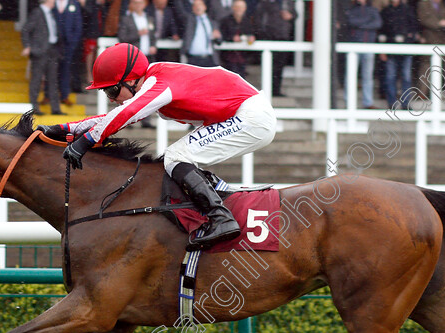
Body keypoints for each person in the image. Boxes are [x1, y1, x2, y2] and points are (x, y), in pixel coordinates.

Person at [38, 43, 277, 250]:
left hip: (250, 116)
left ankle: (221, 218)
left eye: (112, 90)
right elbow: (117, 115)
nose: (111, 98)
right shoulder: (154, 79)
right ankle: (215, 208)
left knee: (176, 156)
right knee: (178, 158)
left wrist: (85, 142)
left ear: (132, 80)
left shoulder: (160, 82)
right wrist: (62, 128)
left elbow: (127, 113)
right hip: (241, 114)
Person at [21, 0, 65, 115]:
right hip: (40, 51)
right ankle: (34, 107)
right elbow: (26, 29)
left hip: (52, 50)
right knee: (36, 79)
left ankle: (55, 108)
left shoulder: (52, 13)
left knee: (53, 80)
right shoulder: (37, 12)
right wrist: (27, 46)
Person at [378, 0, 417, 110]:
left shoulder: (407, 10)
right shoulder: (386, 11)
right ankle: (392, 103)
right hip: (390, 50)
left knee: (406, 77)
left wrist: (407, 39)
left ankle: (405, 104)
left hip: (405, 49)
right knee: (390, 77)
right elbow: (381, 32)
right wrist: (382, 50)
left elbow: (413, 28)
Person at [253, 0, 296, 96]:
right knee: (269, 65)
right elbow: (258, 19)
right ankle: (267, 90)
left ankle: (276, 90)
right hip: (269, 38)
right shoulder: (265, 3)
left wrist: (290, 16)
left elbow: (295, 15)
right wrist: (262, 35)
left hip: (283, 38)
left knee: (279, 67)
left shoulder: (288, 2)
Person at [345, 0, 382, 110]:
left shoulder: (373, 10)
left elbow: (378, 23)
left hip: (368, 46)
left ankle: (368, 102)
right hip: (354, 47)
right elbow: (351, 22)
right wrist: (367, 22)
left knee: (367, 76)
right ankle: (349, 101)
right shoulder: (352, 9)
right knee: (350, 76)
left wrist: (360, 24)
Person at [416, 0, 445, 93]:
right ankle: (422, 92)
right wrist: (439, 23)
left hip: (441, 40)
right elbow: (422, 19)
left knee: (438, 68)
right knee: (426, 67)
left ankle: (435, 93)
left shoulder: (443, 5)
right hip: (428, 40)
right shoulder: (423, 3)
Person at [219, 0, 255, 77]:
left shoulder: (248, 21)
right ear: (233, 8)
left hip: (243, 57)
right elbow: (222, 35)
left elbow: (253, 33)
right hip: (229, 57)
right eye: (237, 7)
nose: (239, 9)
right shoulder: (225, 20)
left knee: (241, 79)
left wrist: (251, 38)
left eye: (241, 7)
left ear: (245, 8)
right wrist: (232, 38)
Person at [182, 0, 221, 67]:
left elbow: (219, 41)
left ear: (205, 7)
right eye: (195, 6)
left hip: (209, 58)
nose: (198, 7)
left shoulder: (212, 22)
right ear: (192, 9)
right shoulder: (189, 20)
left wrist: (218, 37)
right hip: (193, 58)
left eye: (199, 5)